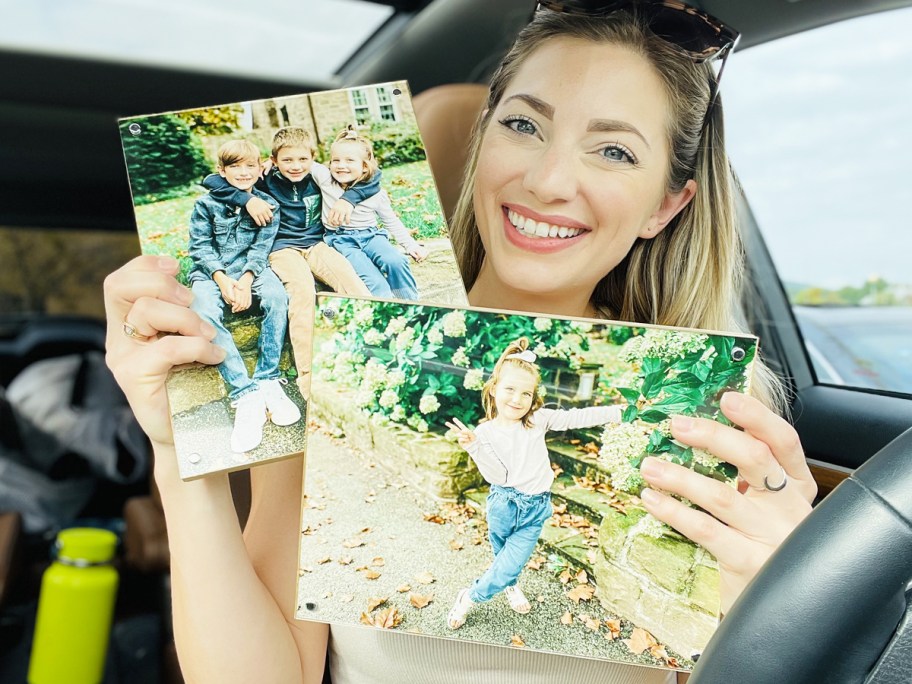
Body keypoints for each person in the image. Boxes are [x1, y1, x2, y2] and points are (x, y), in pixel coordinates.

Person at [104, 5, 819, 683]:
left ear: (666, 205)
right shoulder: (330, 352)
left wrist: (785, 603)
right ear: (482, 139)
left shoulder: (719, 419)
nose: (547, 181)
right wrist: (177, 452)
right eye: (523, 125)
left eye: (612, 150)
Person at [444, 338, 623, 629]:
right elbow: (497, 477)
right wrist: (474, 447)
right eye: (510, 390)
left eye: (526, 393)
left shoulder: (537, 420)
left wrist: (618, 412)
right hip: (502, 503)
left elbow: (579, 417)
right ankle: (511, 586)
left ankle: (469, 597)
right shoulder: (484, 432)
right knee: (503, 557)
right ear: (493, 390)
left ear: (533, 397)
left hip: (535, 507)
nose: (517, 399)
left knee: (510, 562)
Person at [203, 127, 380, 398]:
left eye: (302, 160)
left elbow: (373, 177)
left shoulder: (321, 176)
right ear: (273, 161)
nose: (295, 166)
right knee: (302, 293)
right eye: (287, 160)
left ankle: (373, 354)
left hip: (316, 244)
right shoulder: (265, 181)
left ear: (313, 158)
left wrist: (348, 199)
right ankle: (309, 379)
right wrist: (248, 199)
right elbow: (212, 180)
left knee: (352, 283)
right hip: (281, 250)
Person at [186, 139, 300, 454]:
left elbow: (261, 249)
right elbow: (200, 247)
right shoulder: (204, 205)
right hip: (212, 272)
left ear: (259, 166)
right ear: (222, 171)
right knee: (203, 308)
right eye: (235, 166)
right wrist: (222, 280)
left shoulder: (268, 205)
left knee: (277, 296)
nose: (243, 172)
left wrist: (247, 280)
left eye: (250, 165)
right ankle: (245, 392)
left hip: (252, 270)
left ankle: (267, 378)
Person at [317, 126, 430, 300]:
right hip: (342, 241)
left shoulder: (376, 193)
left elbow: (390, 220)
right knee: (374, 281)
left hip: (371, 236)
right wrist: (272, 162)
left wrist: (411, 245)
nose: (341, 166)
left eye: (349, 160)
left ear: (364, 167)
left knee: (396, 262)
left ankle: (411, 303)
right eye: (335, 160)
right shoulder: (326, 181)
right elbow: (304, 163)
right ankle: (387, 305)